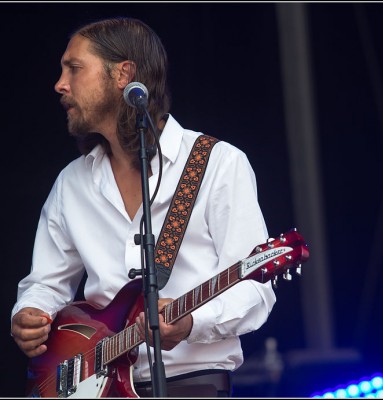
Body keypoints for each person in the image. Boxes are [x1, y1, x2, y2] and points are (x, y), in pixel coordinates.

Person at [10, 16, 276, 398]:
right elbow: (45, 284)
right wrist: (30, 313)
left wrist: (192, 322)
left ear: (124, 74)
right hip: (96, 387)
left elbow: (256, 289)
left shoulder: (217, 164)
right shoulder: (72, 183)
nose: (60, 84)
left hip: (193, 384)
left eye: (74, 68)